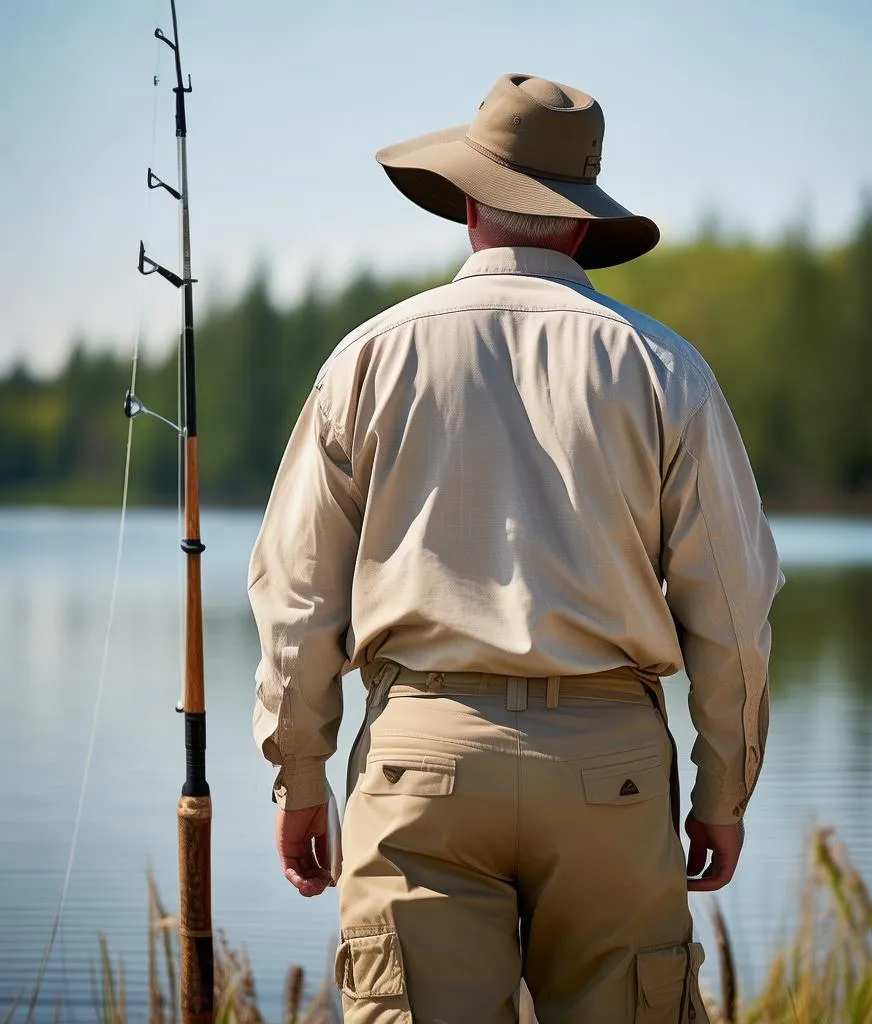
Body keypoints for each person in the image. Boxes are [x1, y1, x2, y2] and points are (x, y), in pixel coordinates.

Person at [248, 73, 783, 1024]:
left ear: (468, 204)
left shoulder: (367, 358)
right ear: (580, 223)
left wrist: (300, 773)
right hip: (610, 772)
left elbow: (298, 599)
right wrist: (723, 789)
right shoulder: (666, 370)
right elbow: (733, 612)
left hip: (421, 763)